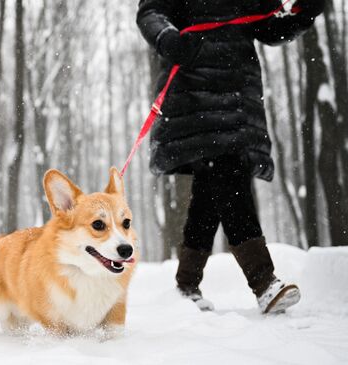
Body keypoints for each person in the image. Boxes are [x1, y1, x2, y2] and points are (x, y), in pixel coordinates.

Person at [136, 0, 325, 313]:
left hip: (238, 98)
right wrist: (169, 39)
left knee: (209, 195)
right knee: (228, 177)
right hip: (194, 94)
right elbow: (151, 12)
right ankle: (264, 282)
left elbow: (267, 26)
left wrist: (304, 12)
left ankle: (186, 286)